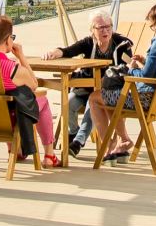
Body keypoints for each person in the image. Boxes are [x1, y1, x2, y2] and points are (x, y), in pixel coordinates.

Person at [90, 2, 156, 162]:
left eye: (152, 24)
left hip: (145, 99)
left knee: (95, 98)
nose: (152, 27)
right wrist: (144, 61)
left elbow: (146, 75)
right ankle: (123, 141)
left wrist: (131, 68)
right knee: (111, 96)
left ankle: (109, 145)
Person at [44, 10, 135, 158]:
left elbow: (128, 68)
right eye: (100, 28)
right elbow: (68, 51)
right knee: (68, 103)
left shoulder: (121, 44)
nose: (105, 30)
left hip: (107, 93)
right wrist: (54, 52)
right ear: (92, 30)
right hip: (83, 89)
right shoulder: (88, 43)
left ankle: (79, 141)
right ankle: (73, 133)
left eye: (108, 27)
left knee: (92, 104)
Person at [0, 15, 57, 167]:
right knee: (42, 101)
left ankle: (14, 149)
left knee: (2, 103)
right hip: (5, 119)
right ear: (8, 39)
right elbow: (34, 84)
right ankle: (49, 155)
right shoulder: (11, 68)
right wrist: (21, 56)